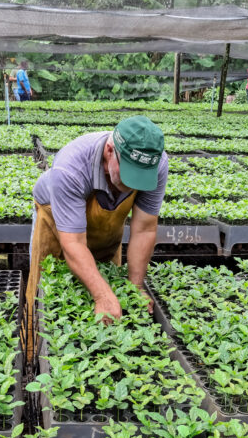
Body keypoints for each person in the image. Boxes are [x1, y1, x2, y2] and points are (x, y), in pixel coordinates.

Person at [26, 116, 168, 328]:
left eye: (140, 178)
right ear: (110, 151)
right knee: (48, 290)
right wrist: (102, 295)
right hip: (54, 217)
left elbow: (145, 229)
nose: (133, 185)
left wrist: (136, 286)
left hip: (104, 227)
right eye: (129, 175)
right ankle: (33, 352)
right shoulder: (70, 167)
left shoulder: (155, 163)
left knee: (109, 284)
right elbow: (73, 242)